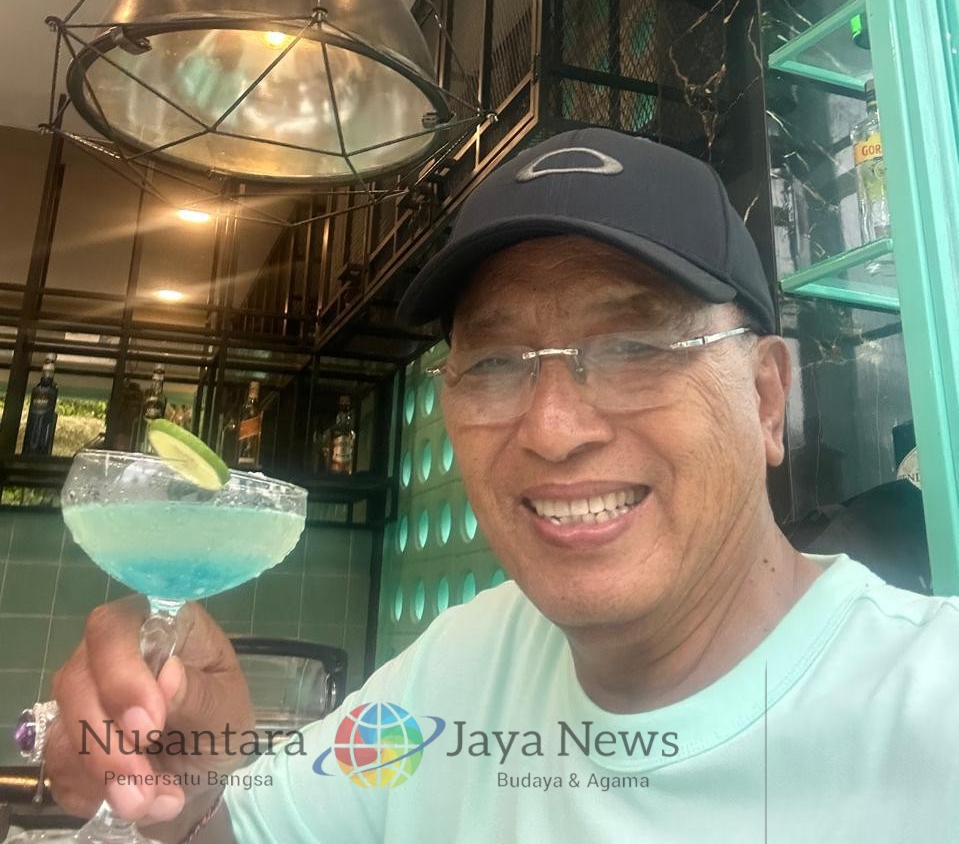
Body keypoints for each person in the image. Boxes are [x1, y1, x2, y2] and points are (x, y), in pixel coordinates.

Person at [41, 128, 959, 841]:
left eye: (633, 346)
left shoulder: (930, 712)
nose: (553, 429)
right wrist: (189, 786)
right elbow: (244, 832)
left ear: (765, 398)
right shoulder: (457, 671)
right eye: (495, 362)